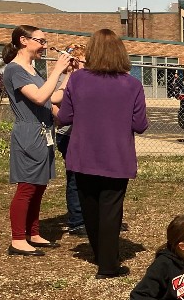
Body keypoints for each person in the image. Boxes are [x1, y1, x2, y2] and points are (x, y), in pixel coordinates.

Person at [58, 28, 148, 278]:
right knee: (110, 209)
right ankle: (108, 265)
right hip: (116, 157)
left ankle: (101, 254)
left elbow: (64, 116)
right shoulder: (132, 85)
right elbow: (140, 125)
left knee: (90, 207)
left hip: (83, 154)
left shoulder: (77, 80)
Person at [2, 25, 73, 257]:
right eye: (41, 41)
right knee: (27, 187)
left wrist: (68, 74)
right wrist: (56, 70)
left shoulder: (31, 70)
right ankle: (18, 239)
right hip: (28, 134)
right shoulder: (15, 70)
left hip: (43, 133)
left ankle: (33, 233)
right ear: (23, 40)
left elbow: (52, 98)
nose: (44, 46)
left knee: (39, 186)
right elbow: (40, 96)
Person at [50, 42, 86, 238]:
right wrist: (64, 116)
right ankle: (76, 221)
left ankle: (89, 217)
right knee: (74, 178)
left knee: (87, 177)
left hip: (84, 135)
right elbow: (52, 104)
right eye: (84, 61)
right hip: (68, 135)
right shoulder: (63, 81)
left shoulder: (85, 79)